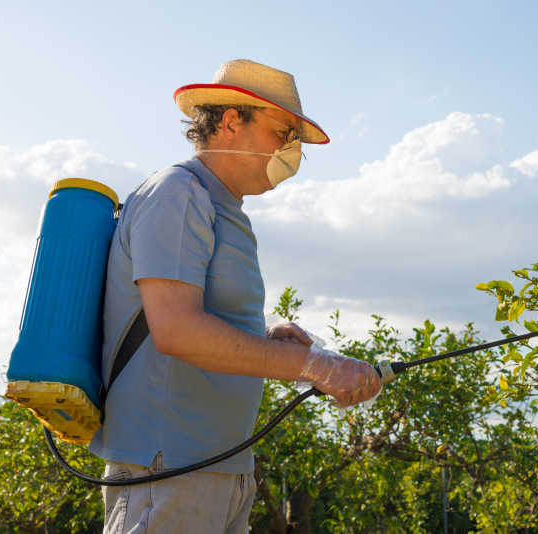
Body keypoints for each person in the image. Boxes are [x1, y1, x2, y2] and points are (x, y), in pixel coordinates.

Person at [89, 59, 382, 534]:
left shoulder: (223, 208)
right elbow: (177, 329)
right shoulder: (180, 194)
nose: (290, 149)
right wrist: (316, 367)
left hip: (219, 466)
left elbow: (194, 320)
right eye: (281, 132)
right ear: (230, 121)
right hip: (166, 468)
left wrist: (264, 336)